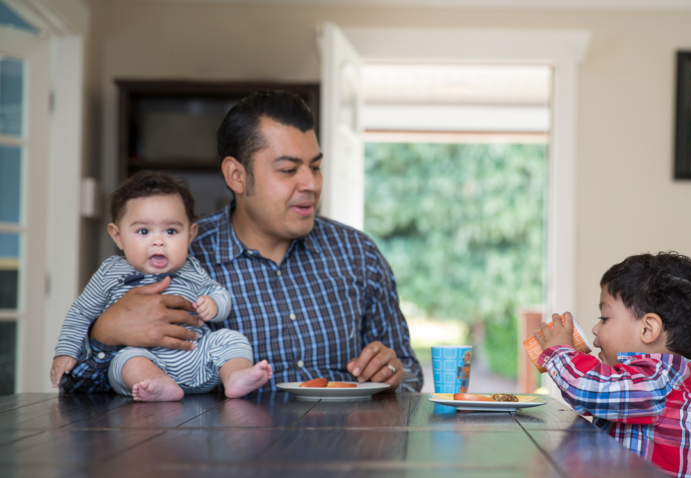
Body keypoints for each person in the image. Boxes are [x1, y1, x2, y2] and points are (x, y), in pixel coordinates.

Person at [62, 90, 422, 394]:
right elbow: (80, 393)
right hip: (224, 466)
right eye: (287, 170)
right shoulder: (177, 258)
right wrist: (105, 334)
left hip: (341, 461)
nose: (310, 184)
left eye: (315, 167)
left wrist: (392, 374)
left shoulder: (358, 254)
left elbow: (409, 374)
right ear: (236, 175)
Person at [52, 171, 272, 401]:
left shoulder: (191, 268)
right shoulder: (111, 272)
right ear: (118, 236)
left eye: (171, 231)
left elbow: (218, 293)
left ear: (190, 235)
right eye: (143, 231)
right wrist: (65, 352)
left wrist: (214, 305)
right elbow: (80, 313)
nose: (158, 241)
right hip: (145, 358)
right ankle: (158, 383)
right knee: (124, 360)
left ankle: (234, 375)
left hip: (196, 356)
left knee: (230, 339)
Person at [533, 252, 691, 478]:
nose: (594, 328)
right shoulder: (658, 385)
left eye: (605, 317)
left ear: (648, 329)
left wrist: (558, 351)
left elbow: (590, 389)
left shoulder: (659, 381)